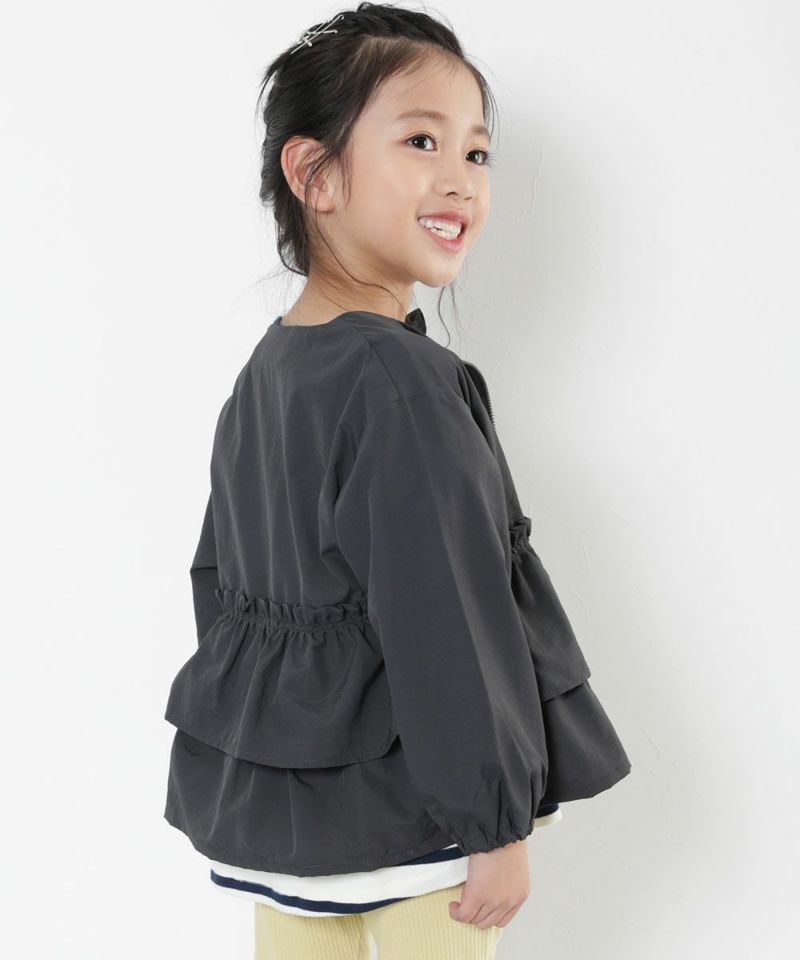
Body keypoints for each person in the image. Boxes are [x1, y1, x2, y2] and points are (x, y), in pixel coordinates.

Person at [162, 3, 632, 957]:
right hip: (415, 823)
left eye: (477, 153)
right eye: (422, 140)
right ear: (316, 174)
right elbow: (445, 614)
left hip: (290, 829)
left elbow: (220, 591)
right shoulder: (400, 381)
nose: (460, 179)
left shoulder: (266, 373)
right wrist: (493, 825)